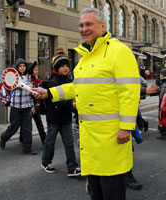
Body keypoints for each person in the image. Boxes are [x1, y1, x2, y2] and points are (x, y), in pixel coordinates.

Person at [33, 8, 140, 200]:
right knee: (96, 192)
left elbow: (129, 93)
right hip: (90, 139)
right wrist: (48, 92)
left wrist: (126, 127)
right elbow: (77, 87)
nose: (84, 29)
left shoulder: (119, 51)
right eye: (81, 25)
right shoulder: (86, 56)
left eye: (88, 24)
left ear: (102, 26)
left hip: (111, 138)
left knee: (112, 191)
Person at [40, 55, 81, 177]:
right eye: (62, 66)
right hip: (54, 118)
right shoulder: (53, 82)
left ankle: (72, 168)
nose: (65, 68)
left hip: (66, 118)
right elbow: (57, 99)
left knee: (69, 143)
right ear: (56, 68)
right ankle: (46, 162)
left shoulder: (69, 80)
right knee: (50, 141)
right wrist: (71, 103)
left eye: (67, 66)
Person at [0, 58, 37, 155]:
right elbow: (20, 85)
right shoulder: (13, 77)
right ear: (17, 67)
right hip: (16, 106)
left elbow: (32, 92)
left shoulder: (29, 77)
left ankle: (27, 148)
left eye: (23, 66)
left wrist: (33, 105)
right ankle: (3, 138)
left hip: (27, 106)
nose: (22, 68)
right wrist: (29, 85)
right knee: (14, 127)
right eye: (20, 66)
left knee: (27, 128)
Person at [28, 61, 46, 145]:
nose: (37, 71)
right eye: (35, 70)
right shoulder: (27, 81)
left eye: (37, 70)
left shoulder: (38, 81)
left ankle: (44, 140)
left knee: (39, 124)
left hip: (36, 105)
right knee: (26, 125)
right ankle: (24, 140)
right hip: (28, 105)